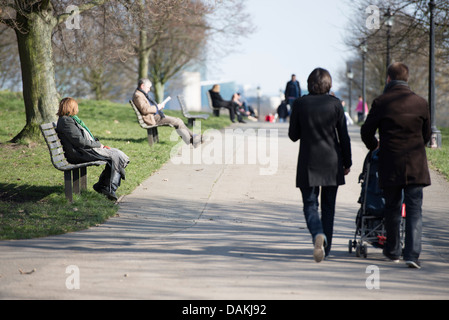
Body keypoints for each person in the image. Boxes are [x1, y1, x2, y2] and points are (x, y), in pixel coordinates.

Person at [361, 62, 431, 269]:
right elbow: (426, 135)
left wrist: (375, 146)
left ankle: (393, 251)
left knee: (392, 206)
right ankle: (413, 254)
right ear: (407, 79)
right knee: (414, 209)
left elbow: (366, 131)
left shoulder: (381, 102)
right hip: (416, 164)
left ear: (389, 79)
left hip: (390, 162)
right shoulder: (421, 103)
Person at [289, 68, 352, 262]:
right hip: (332, 162)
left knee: (310, 204)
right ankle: (326, 246)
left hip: (308, 162)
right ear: (329, 85)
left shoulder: (300, 104)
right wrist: (347, 161)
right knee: (328, 207)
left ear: (308, 84)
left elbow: (293, 135)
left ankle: (317, 233)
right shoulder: (335, 104)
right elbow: (344, 136)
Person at [56, 97, 129, 201]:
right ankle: (107, 188)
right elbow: (80, 141)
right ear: (71, 108)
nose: (77, 109)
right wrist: (97, 145)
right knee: (114, 156)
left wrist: (97, 144)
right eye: (75, 107)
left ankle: (104, 187)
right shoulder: (66, 121)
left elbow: (80, 140)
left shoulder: (69, 120)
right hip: (78, 153)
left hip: (81, 151)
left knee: (116, 154)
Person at [133, 78, 201, 147]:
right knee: (177, 122)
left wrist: (158, 106)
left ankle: (194, 137)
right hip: (152, 118)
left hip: (155, 116)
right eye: (148, 87)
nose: (149, 89)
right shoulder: (138, 95)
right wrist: (157, 107)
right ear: (142, 86)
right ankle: (191, 141)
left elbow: (147, 107)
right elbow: (145, 109)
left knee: (178, 120)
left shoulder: (141, 94)